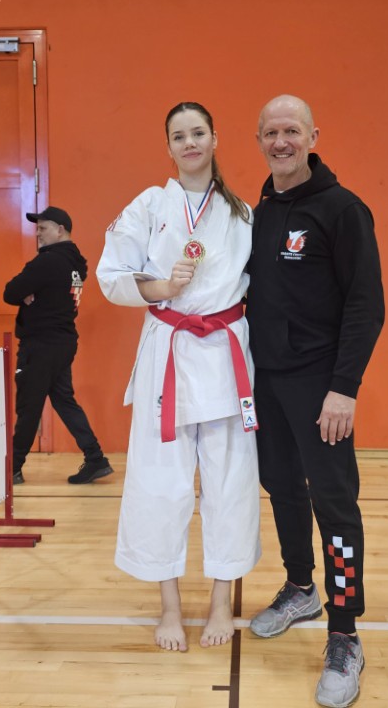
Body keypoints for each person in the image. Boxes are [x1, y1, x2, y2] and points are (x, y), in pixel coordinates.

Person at [96, 102, 261, 653]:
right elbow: (111, 275)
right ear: (167, 147)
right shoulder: (149, 205)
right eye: (178, 136)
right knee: (159, 480)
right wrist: (163, 288)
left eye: (198, 133)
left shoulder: (242, 214)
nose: (189, 143)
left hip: (225, 355)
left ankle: (220, 601)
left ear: (215, 139)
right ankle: (168, 605)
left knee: (229, 481)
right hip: (167, 350)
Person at [245, 95, 385, 708]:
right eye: (271, 133)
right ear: (259, 140)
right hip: (267, 383)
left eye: (292, 131)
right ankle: (301, 587)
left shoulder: (343, 210)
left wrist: (344, 388)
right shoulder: (259, 213)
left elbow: (367, 306)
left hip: (322, 387)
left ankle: (345, 631)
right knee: (281, 485)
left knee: (335, 504)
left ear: (312, 136)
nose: (281, 142)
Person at [3, 206, 113, 485]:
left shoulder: (47, 262)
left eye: (43, 228)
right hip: (63, 341)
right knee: (64, 400)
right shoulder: (76, 263)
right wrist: (31, 292)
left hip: (41, 344)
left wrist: (27, 293)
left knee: (29, 405)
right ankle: (95, 458)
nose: (37, 234)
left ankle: (11, 469)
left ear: (60, 229)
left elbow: (11, 292)